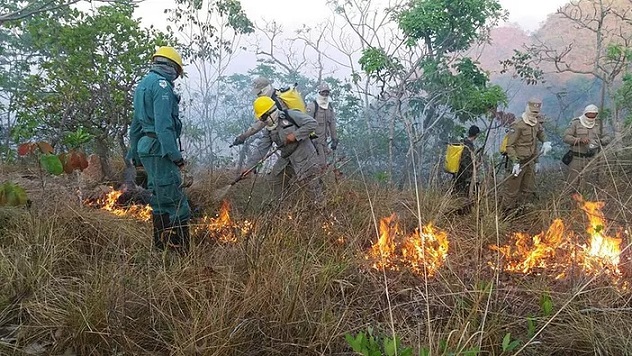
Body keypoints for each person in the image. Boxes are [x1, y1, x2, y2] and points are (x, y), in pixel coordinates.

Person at [127, 46, 191, 252]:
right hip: (159, 148)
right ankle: (179, 252)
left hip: (147, 148)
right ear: (172, 67)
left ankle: (160, 248)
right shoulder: (162, 85)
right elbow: (164, 125)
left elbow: (136, 124)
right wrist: (176, 156)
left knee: (159, 198)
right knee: (175, 200)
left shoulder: (143, 84)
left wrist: (134, 153)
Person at [243, 96, 324, 208]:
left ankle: (321, 214)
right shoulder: (269, 130)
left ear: (270, 112)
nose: (263, 121)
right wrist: (249, 167)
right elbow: (261, 148)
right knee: (274, 181)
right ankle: (282, 211)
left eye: (263, 118)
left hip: (304, 156)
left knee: (312, 187)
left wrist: (295, 135)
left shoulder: (291, 115)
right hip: (286, 159)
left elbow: (312, 123)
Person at [502, 98, 552, 210]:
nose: (534, 114)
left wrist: (545, 142)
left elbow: (540, 134)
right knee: (512, 190)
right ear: (528, 108)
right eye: (533, 111)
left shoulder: (536, 123)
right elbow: (509, 146)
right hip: (518, 162)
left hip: (530, 161)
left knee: (528, 189)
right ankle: (507, 214)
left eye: (536, 112)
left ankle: (522, 212)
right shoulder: (518, 125)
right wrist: (515, 162)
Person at [562, 104, 611, 192]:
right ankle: (569, 203)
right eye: (589, 115)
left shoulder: (599, 124)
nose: (591, 117)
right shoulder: (576, 123)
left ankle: (586, 202)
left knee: (588, 184)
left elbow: (608, 137)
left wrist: (600, 142)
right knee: (572, 183)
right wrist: (579, 140)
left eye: (593, 115)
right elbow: (566, 137)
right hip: (577, 158)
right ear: (585, 114)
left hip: (592, 159)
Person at [231, 76, 289, 146]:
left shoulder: (276, 101)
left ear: (265, 89)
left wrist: (244, 136)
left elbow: (261, 122)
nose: (258, 95)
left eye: (259, 92)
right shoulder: (268, 100)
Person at [306, 82, 339, 170]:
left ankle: (321, 182)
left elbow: (332, 123)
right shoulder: (312, 106)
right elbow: (307, 124)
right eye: (323, 92)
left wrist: (334, 139)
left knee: (323, 165)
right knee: (319, 165)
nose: (325, 94)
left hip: (324, 142)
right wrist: (311, 139)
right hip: (314, 142)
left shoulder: (329, 107)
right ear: (319, 92)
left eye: (327, 93)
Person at [454, 125, 480, 197]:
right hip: (463, 173)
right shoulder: (469, 145)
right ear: (477, 134)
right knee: (462, 194)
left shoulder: (462, 142)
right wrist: (474, 168)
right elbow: (466, 162)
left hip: (456, 170)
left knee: (456, 191)